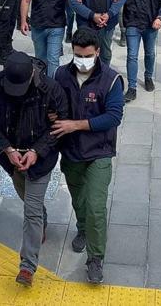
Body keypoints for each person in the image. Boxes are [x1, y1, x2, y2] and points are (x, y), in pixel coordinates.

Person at [0, 51, 68, 287]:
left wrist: (36, 151)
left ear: (31, 77)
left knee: (30, 209)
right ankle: (42, 218)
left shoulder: (50, 90)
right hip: (10, 157)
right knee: (28, 199)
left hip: (39, 158)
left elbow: (59, 126)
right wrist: (8, 149)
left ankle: (27, 266)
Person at [53, 27, 125, 284]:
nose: (82, 60)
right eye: (77, 55)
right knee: (79, 200)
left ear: (97, 53)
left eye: (87, 55)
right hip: (71, 151)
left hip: (99, 152)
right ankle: (83, 229)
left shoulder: (111, 80)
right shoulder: (61, 74)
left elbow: (114, 116)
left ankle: (95, 258)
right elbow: (53, 104)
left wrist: (76, 124)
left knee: (95, 205)